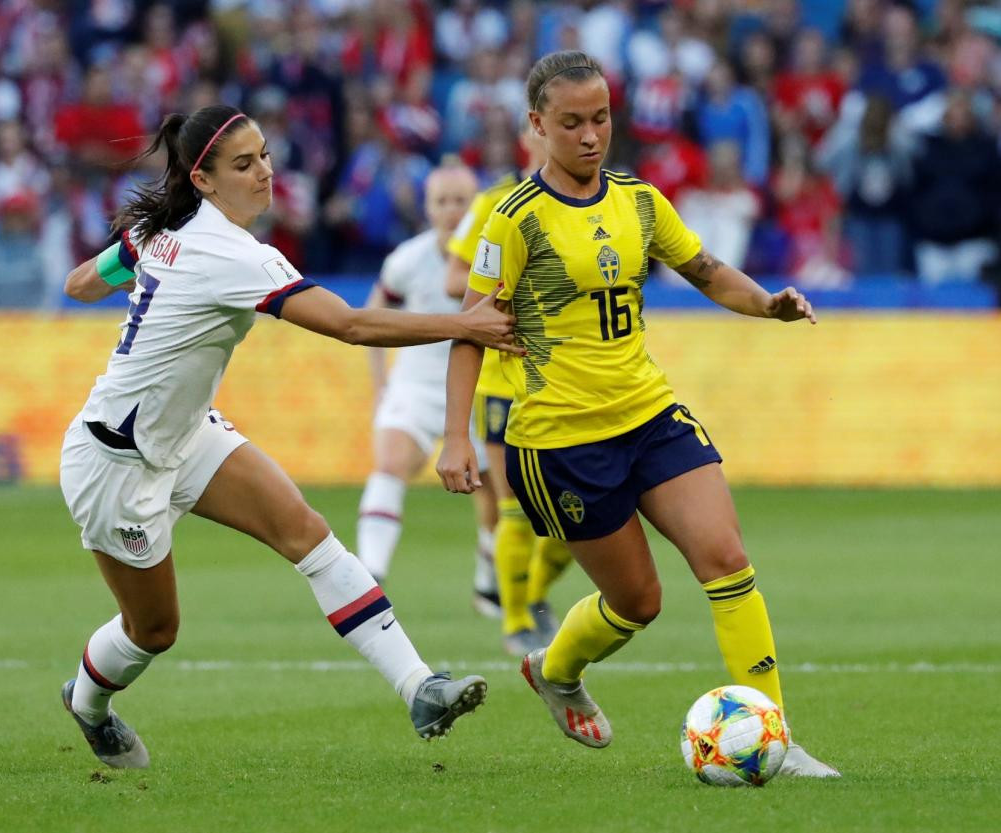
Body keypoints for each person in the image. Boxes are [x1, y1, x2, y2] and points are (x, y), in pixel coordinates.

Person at [58, 104, 517, 769]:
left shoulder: (164, 230)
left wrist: (131, 263)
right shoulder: (230, 252)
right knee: (153, 629)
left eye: (266, 154)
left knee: (307, 533)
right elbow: (352, 325)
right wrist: (465, 326)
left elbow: (78, 285)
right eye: (244, 164)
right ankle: (88, 703)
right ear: (205, 180)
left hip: (185, 435)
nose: (265, 172)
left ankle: (421, 686)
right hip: (115, 464)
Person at [437, 51, 839, 778]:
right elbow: (471, 328)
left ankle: (775, 738)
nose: (591, 136)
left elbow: (707, 270)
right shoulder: (515, 220)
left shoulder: (639, 199)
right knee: (638, 599)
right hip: (560, 440)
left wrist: (767, 304)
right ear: (537, 126)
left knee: (726, 558)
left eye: (600, 118)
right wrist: (453, 438)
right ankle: (554, 670)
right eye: (571, 123)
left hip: (649, 412)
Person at [445, 124, 573, 657]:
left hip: (569, 378)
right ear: (531, 133)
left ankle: (534, 591)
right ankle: (517, 621)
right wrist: (514, 288)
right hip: (504, 379)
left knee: (581, 508)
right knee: (515, 505)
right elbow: (457, 279)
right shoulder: (497, 202)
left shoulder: (585, 203)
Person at [356, 160, 500, 602]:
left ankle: (489, 584)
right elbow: (373, 316)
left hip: (478, 387)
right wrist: (381, 383)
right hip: (417, 386)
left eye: (462, 201)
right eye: (442, 201)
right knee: (390, 462)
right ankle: (368, 576)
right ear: (428, 207)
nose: (452, 210)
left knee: (495, 494)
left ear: (478, 207)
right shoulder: (407, 260)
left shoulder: (497, 257)